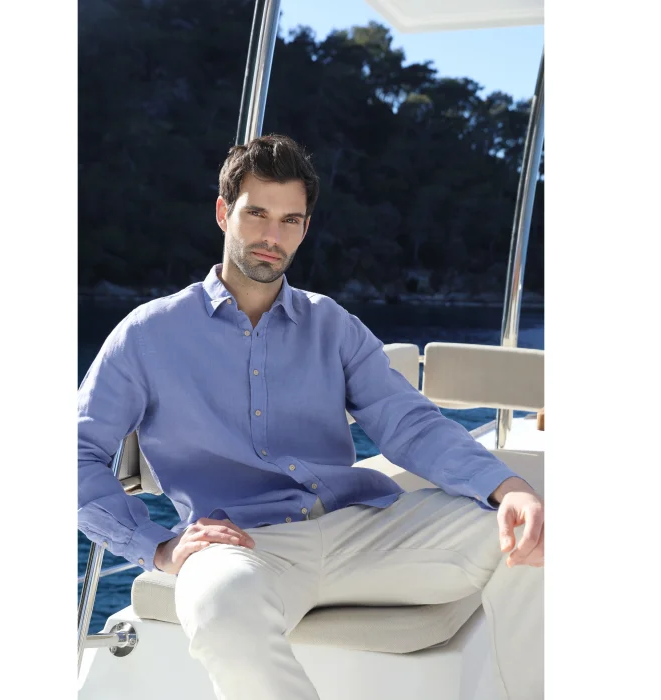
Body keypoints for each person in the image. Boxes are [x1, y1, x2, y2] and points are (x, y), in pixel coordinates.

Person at [78, 134, 544, 699]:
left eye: (290, 220)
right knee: (217, 602)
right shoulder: (148, 334)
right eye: (256, 214)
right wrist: (155, 546)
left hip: (362, 529)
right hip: (243, 545)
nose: (272, 237)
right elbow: (77, 453)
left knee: (535, 532)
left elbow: (409, 424)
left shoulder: (333, 325)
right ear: (224, 213)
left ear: (304, 228)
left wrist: (509, 488)